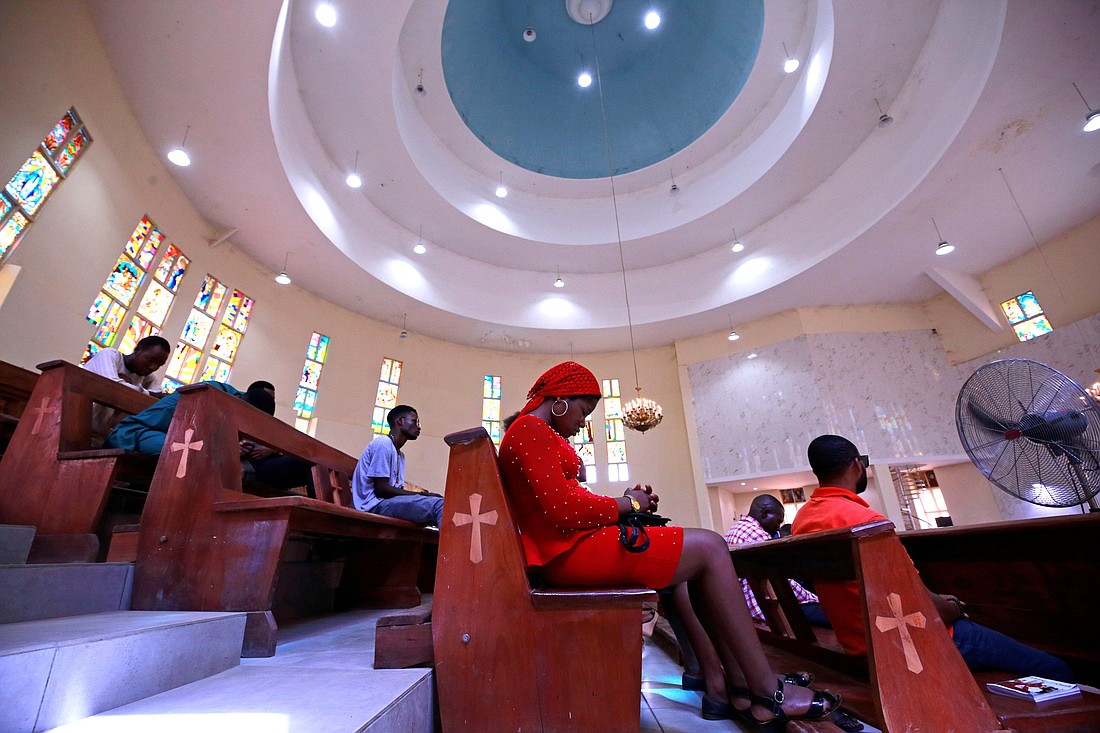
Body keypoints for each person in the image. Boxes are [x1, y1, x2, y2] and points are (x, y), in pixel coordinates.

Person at [497, 361, 840, 726]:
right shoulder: (530, 429)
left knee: (699, 556)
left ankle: (737, 684)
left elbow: (563, 505)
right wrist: (628, 505)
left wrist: (626, 504)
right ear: (561, 400)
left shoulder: (530, 430)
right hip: (567, 554)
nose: (583, 423)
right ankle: (766, 690)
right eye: (584, 412)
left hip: (569, 548)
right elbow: (564, 511)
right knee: (710, 547)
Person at [793, 434, 1075, 682]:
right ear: (856, 465)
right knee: (1055, 668)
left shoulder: (803, 520)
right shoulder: (866, 522)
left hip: (860, 644)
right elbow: (928, 608)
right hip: (915, 644)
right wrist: (954, 606)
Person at [104, 380, 312, 494]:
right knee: (197, 453)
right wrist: (227, 447)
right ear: (242, 402)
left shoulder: (244, 407)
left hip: (195, 443)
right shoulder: (208, 393)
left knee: (207, 454)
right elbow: (189, 432)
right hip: (137, 432)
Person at [726, 494, 830, 628]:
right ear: (765, 513)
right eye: (777, 521)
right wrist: (814, 599)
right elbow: (782, 583)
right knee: (833, 615)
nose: (778, 528)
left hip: (749, 608)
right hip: (771, 608)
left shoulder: (734, 530)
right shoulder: (757, 535)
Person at [352, 404, 443, 528]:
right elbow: (382, 490)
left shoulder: (400, 455)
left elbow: (394, 489)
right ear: (400, 421)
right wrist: (423, 495)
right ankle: (451, 548)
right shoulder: (383, 444)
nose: (418, 428)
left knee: (445, 507)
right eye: (415, 422)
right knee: (439, 506)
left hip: (387, 503)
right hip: (374, 506)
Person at [82, 336, 171, 440]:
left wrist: (130, 386)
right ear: (138, 350)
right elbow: (112, 385)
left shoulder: (147, 377)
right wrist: (141, 391)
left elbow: (158, 400)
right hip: (79, 424)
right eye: (151, 360)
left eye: (159, 365)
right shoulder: (110, 355)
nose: (153, 367)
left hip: (102, 437)